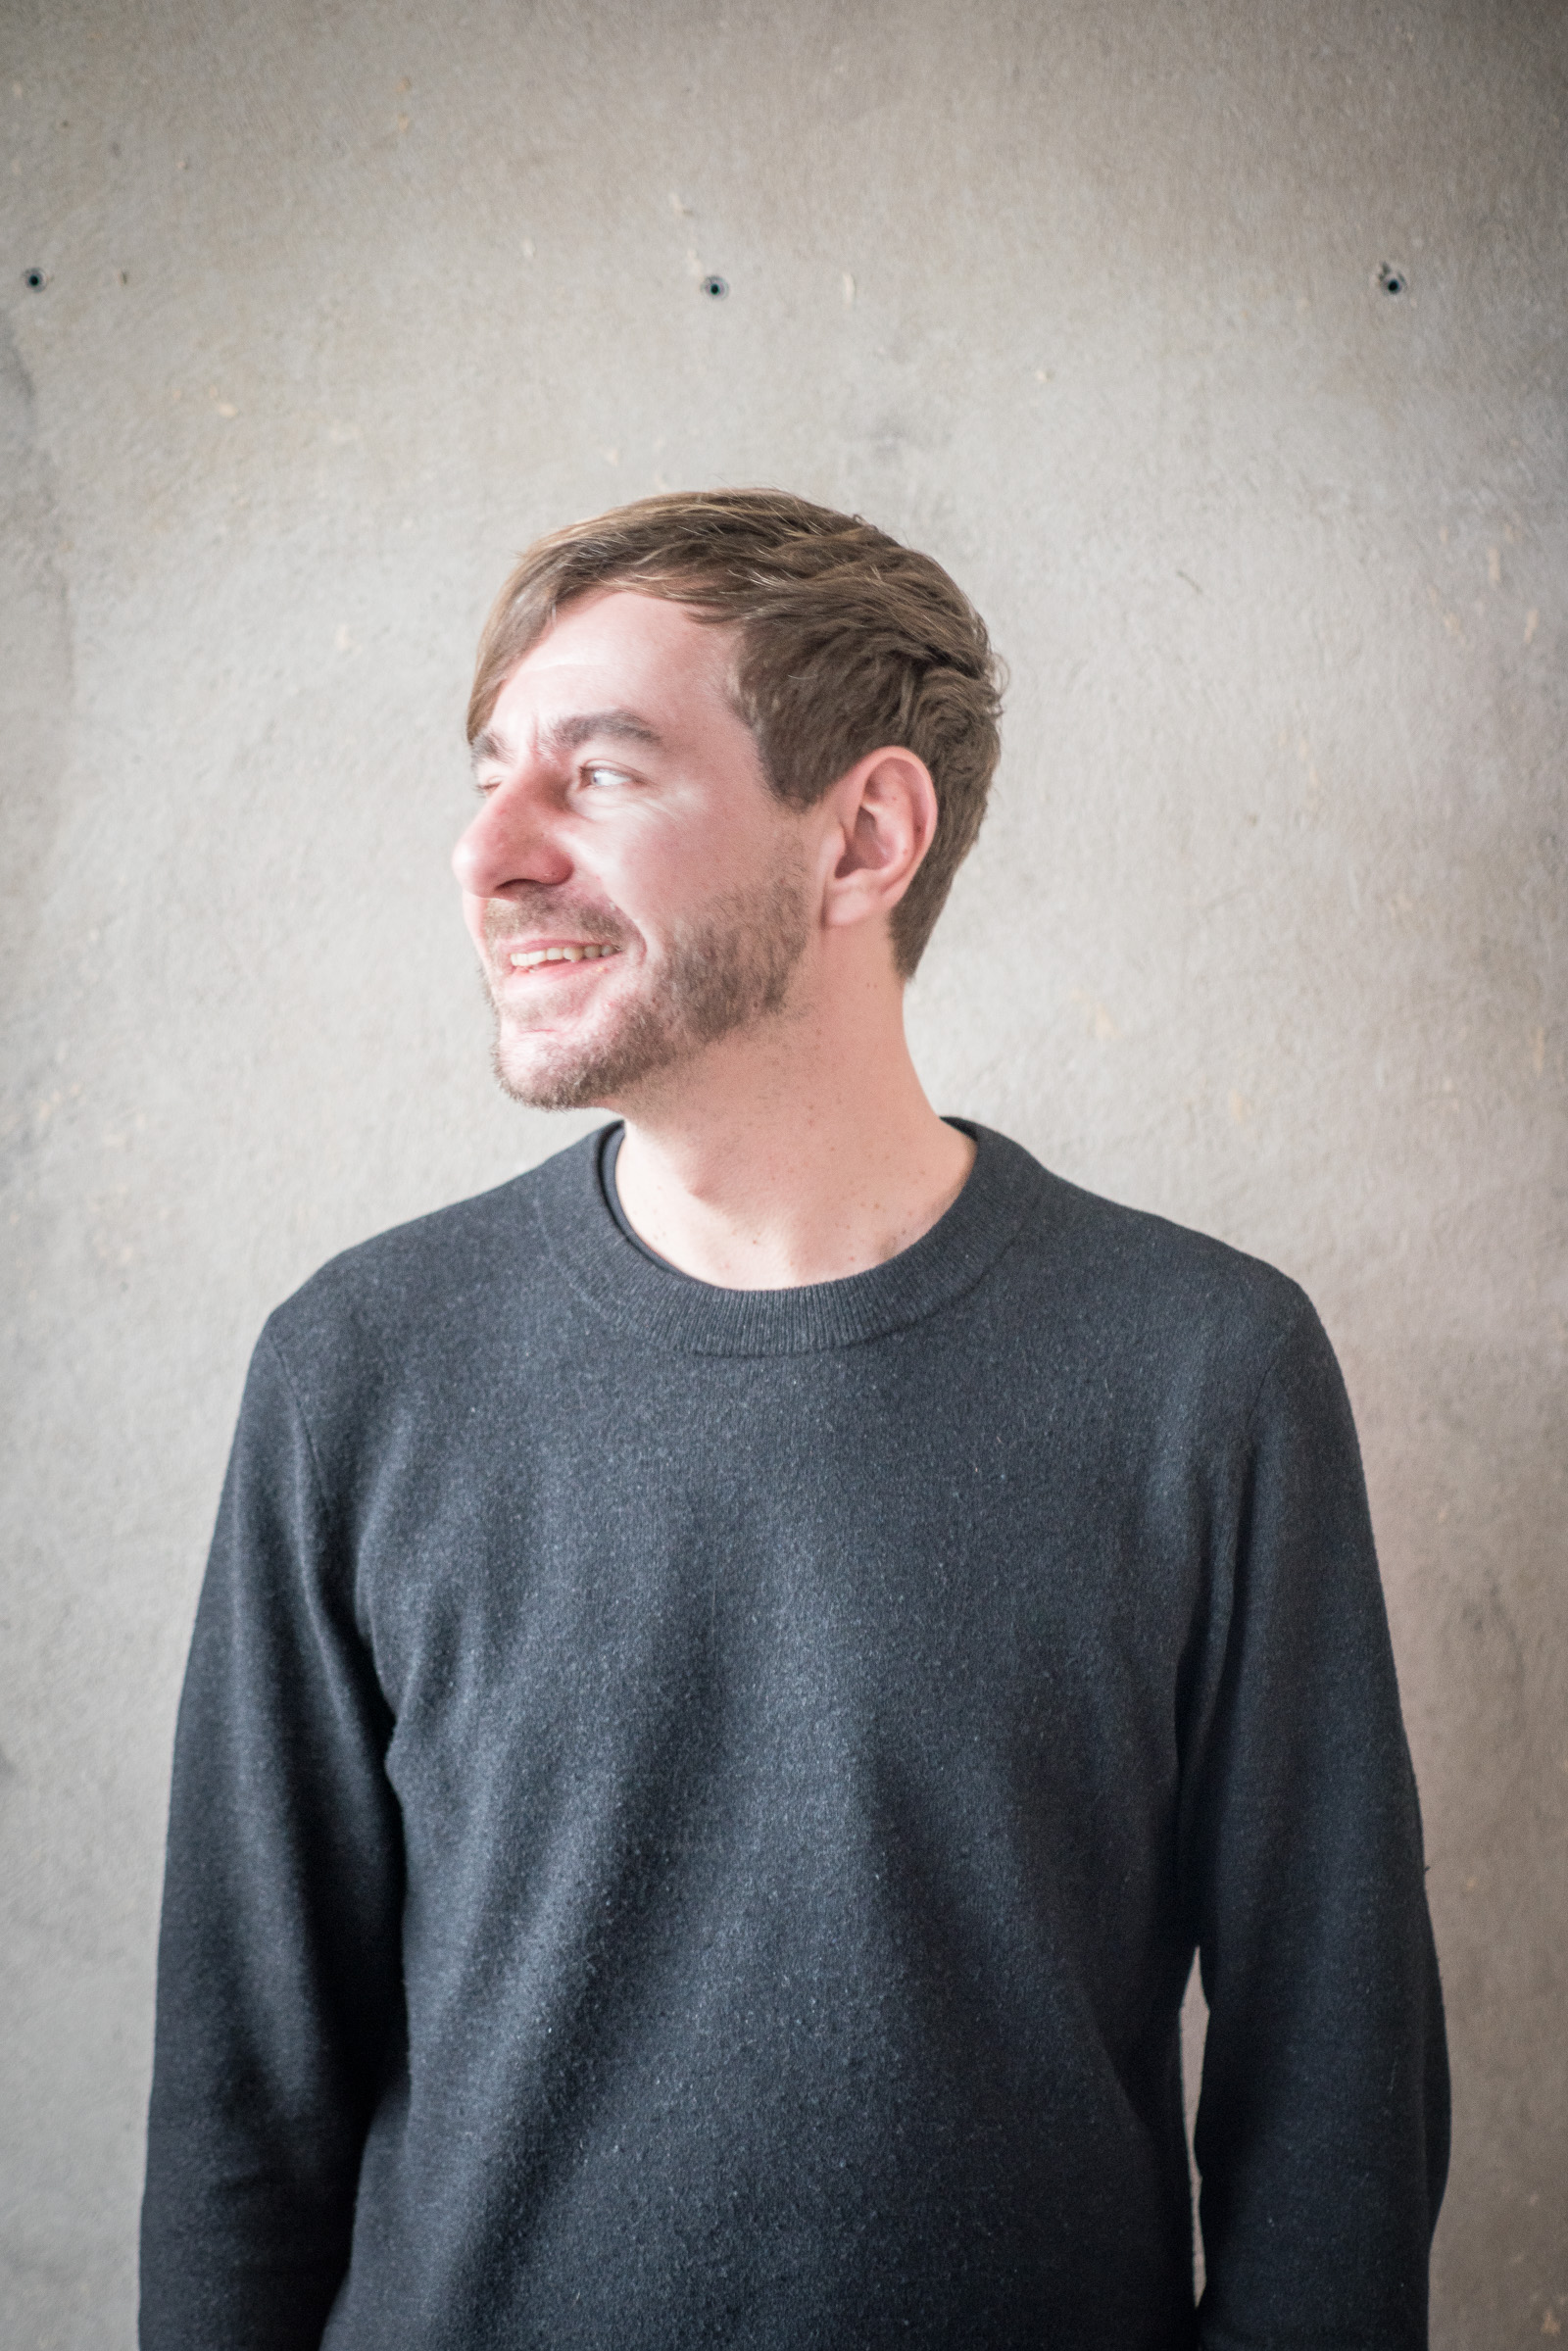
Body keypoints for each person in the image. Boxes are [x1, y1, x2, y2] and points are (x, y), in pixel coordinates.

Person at [140, 489, 1448, 2350]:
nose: (487, 853)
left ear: (863, 836)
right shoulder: (358, 1366)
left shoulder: (1204, 1374)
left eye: (599, 773)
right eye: (491, 775)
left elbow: (1336, 2100)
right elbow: (241, 2103)